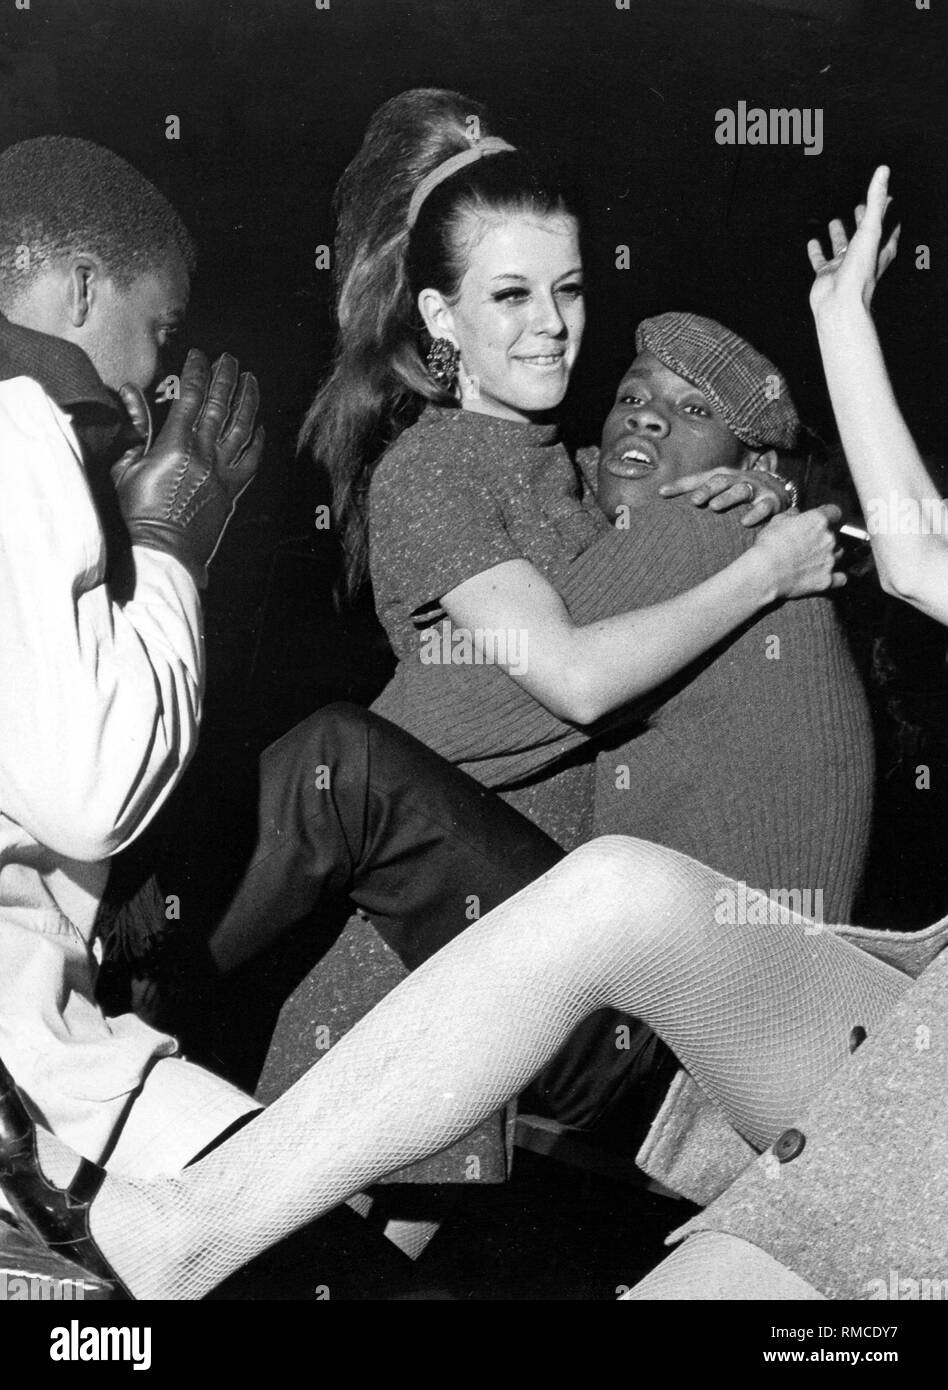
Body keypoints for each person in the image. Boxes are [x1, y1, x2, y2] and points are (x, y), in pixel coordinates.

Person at [303, 89, 841, 852]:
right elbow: (577, 683)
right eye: (512, 295)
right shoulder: (430, 469)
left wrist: (764, 490)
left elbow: (683, 522)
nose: (551, 324)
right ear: (440, 316)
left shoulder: (571, 464)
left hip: (575, 904)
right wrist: (767, 573)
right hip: (462, 924)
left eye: (568, 289)